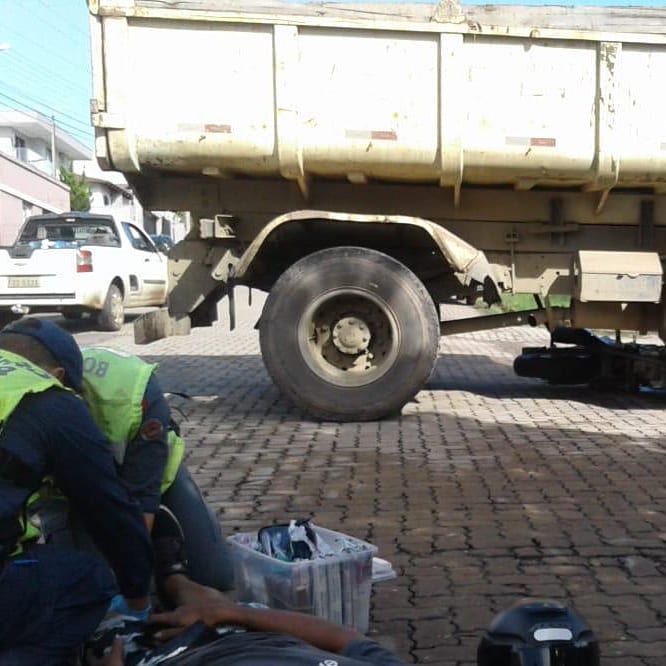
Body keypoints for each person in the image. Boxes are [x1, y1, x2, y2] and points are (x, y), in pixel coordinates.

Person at [7, 321, 234, 592]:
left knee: (216, 575)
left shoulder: (130, 391)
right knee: (95, 584)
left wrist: (136, 582)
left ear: (58, 377)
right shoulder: (12, 392)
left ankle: (167, 550)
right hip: (77, 496)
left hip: (146, 481)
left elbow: (142, 498)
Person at [0, 317, 154, 664]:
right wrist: (137, 593)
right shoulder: (47, 397)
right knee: (89, 581)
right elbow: (110, 511)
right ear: (58, 376)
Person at [86, 510, 406, 666]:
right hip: (252, 635)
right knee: (210, 601)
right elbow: (345, 638)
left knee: (94, 618)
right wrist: (232, 613)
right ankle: (174, 578)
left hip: (166, 659)